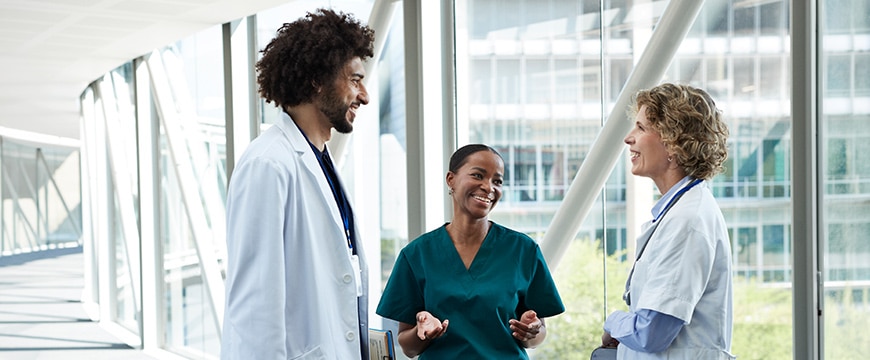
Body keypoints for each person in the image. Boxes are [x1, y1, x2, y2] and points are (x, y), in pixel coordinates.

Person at [221, 8, 374, 360]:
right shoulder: (268, 164)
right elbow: (255, 306)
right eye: (354, 80)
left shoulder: (320, 158)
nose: (364, 95)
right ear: (316, 80)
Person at [376, 144, 565, 359]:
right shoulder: (416, 255)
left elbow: (537, 335)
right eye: (478, 175)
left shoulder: (524, 250)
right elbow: (408, 347)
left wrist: (531, 332)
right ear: (451, 179)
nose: (488, 187)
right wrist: (425, 333)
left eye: (497, 181)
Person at [601, 83, 735, 359]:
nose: (629, 138)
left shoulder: (688, 221)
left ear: (674, 142)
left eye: (641, 127)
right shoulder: (680, 212)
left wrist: (613, 322)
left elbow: (650, 333)